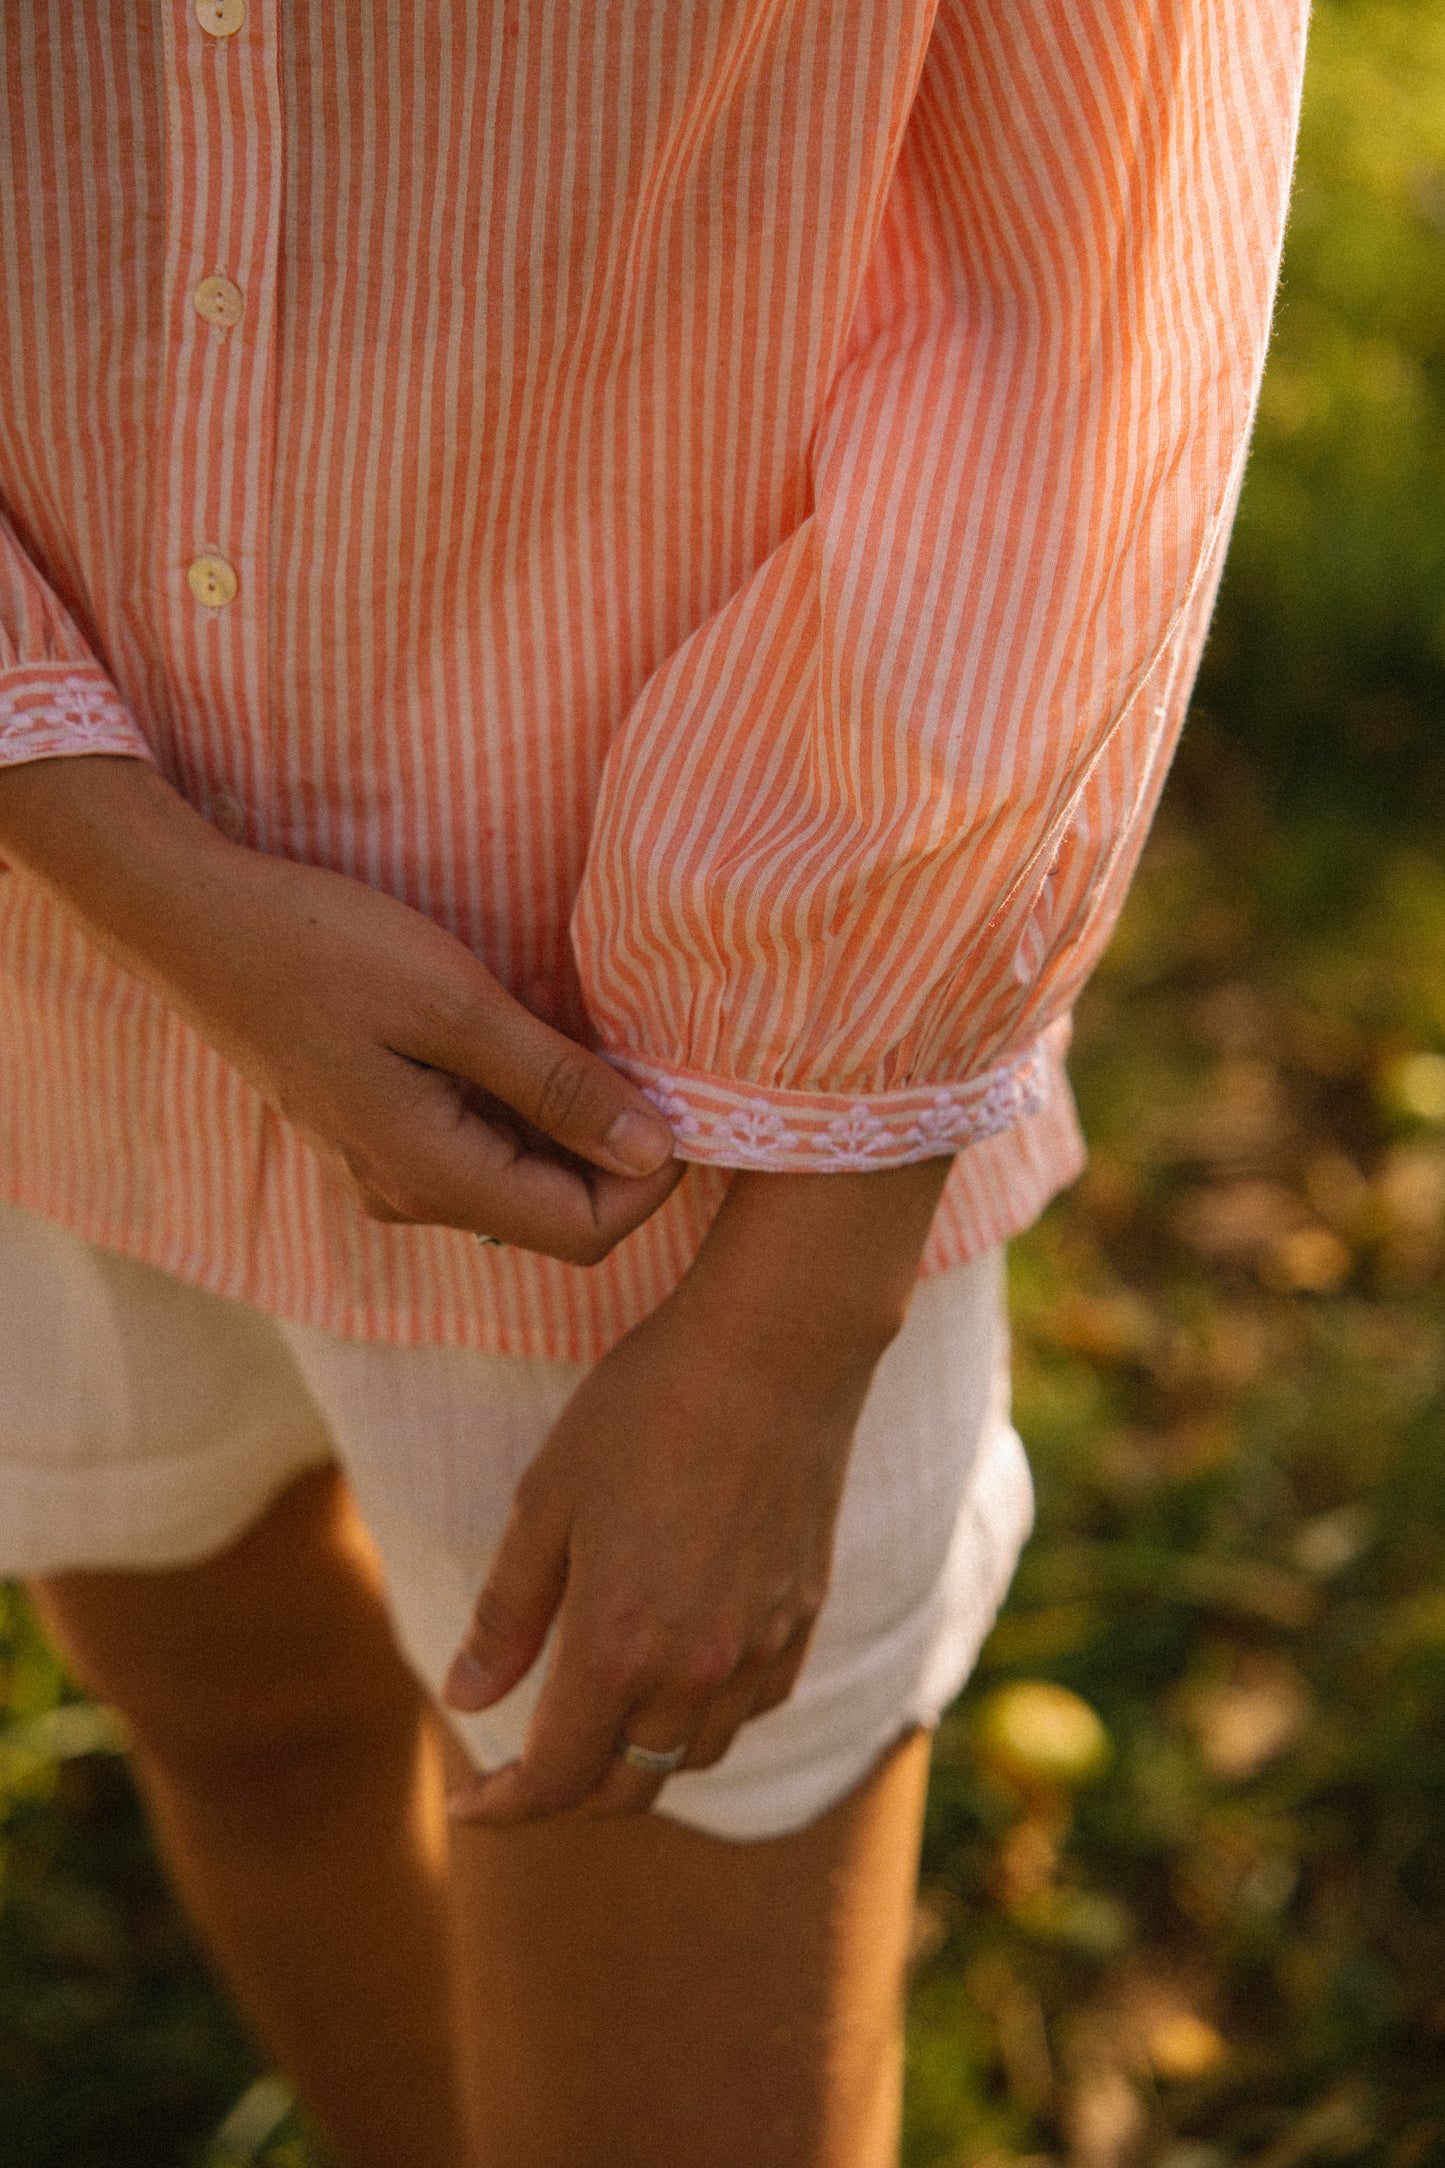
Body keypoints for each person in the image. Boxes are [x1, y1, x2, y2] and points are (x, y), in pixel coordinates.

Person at [0, 4, 1309, 2163]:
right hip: (47, 973)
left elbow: (1095, 324)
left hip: (664, 1102)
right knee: (239, 1725)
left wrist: (796, 1307)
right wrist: (107, 844)